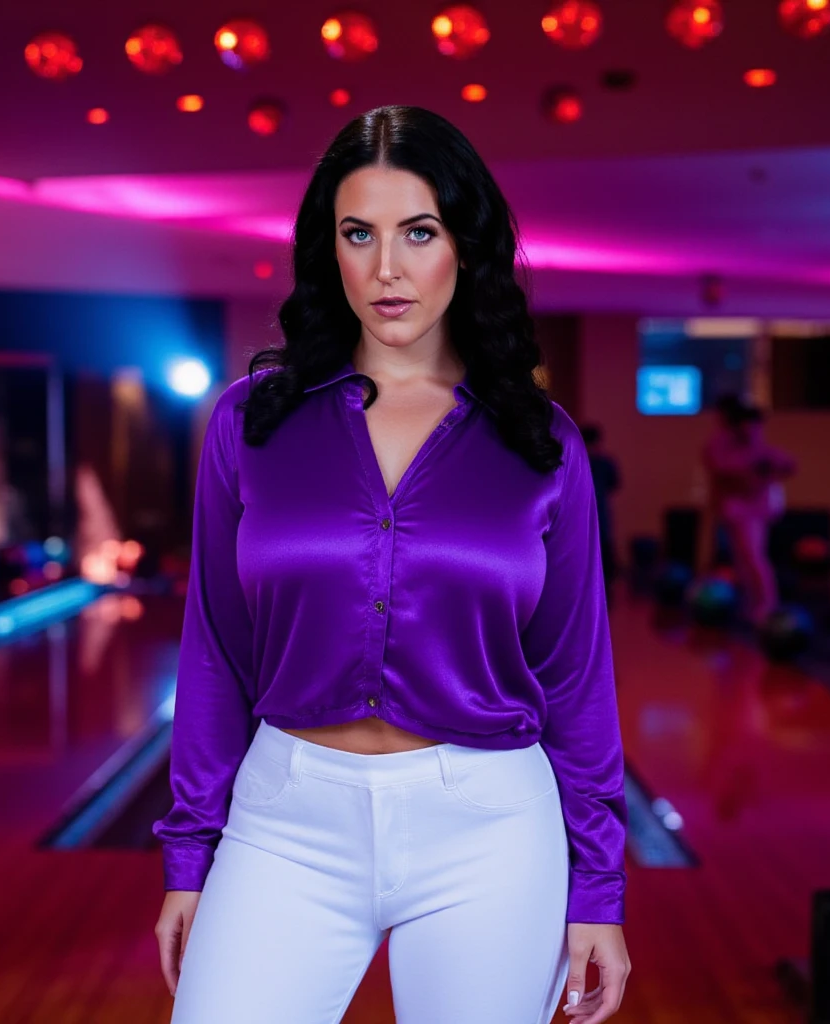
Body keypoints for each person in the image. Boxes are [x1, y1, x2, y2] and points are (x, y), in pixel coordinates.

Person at [152, 105, 630, 1024]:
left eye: (420, 231)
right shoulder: (250, 424)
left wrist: (598, 891)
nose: (387, 269)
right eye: (358, 233)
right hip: (287, 819)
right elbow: (214, 647)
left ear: (466, 244)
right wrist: (188, 859)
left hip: (489, 827)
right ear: (327, 249)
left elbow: (576, 673)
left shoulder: (540, 443)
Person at [703, 395, 797, 626]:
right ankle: (753, 605)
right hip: (736, 508)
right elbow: (721, 467)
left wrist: (765, 470)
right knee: (744, 559)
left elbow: (788, 464)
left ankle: (767, 605)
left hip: (753, 509)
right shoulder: (724, 444)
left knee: (753, 557)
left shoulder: (758, 449)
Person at [580, 424, 621, 599]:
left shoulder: (576, 459)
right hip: (598, 516)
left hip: (583, 517)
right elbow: (615, 484)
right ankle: (603, 594)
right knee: (602, 554)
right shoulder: (604, 462)